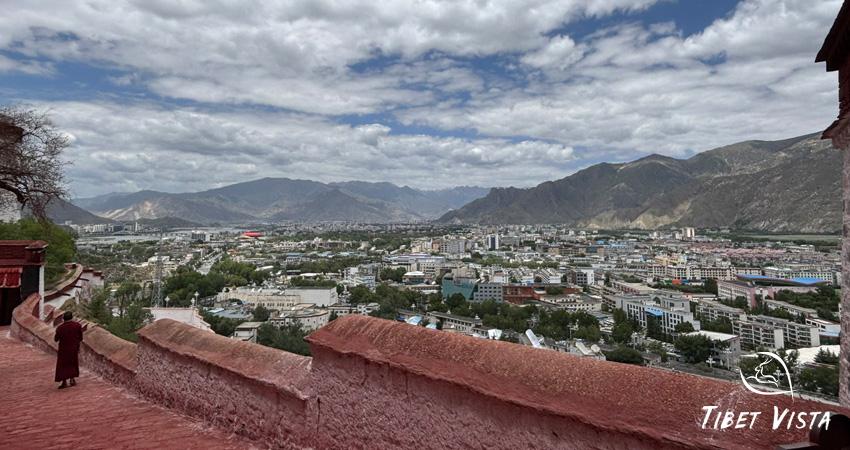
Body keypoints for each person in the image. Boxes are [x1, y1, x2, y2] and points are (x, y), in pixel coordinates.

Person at [54, 311, 83, 389]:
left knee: (63, 365)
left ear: (63, 319)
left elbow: (56, 339)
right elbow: (80, 338)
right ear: (72, 317)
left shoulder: (60, 328)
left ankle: (64, 382)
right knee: (73, 363)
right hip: (74, 348)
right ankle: (72, 379)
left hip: (63, 349)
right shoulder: (77, 325)